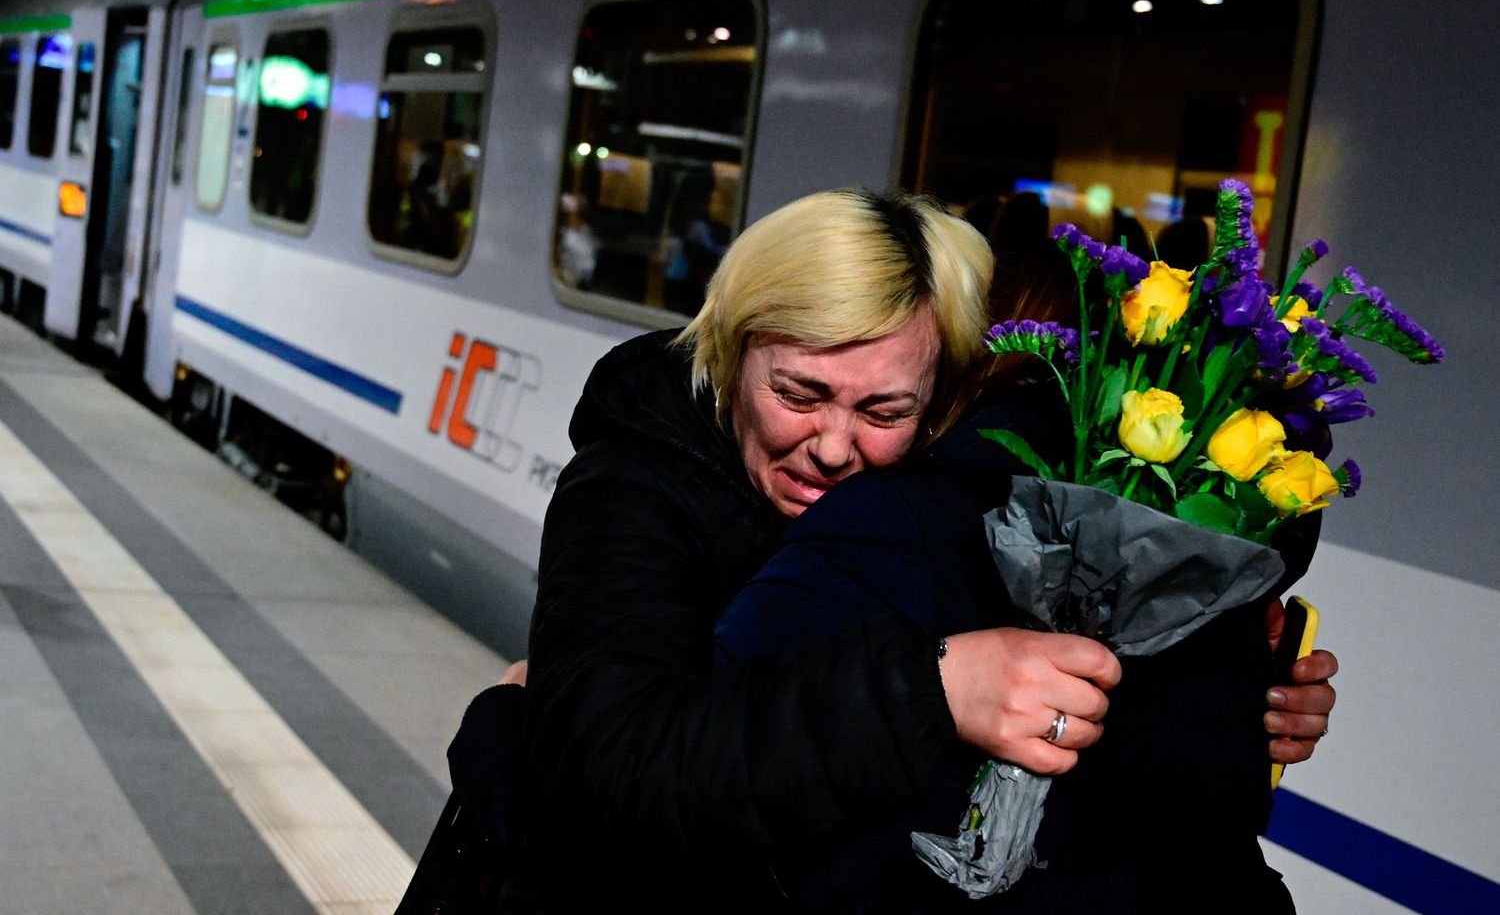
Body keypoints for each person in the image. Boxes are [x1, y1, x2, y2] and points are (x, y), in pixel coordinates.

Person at [450, 189, 1335, 911]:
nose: (834, 446)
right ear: (732, 344)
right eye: (799, 393)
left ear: (948, 391)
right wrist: (930, 688)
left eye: (885, 413)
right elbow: (605, 792)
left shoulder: (940, 515)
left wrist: (1226, 701)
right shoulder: (633, 489)